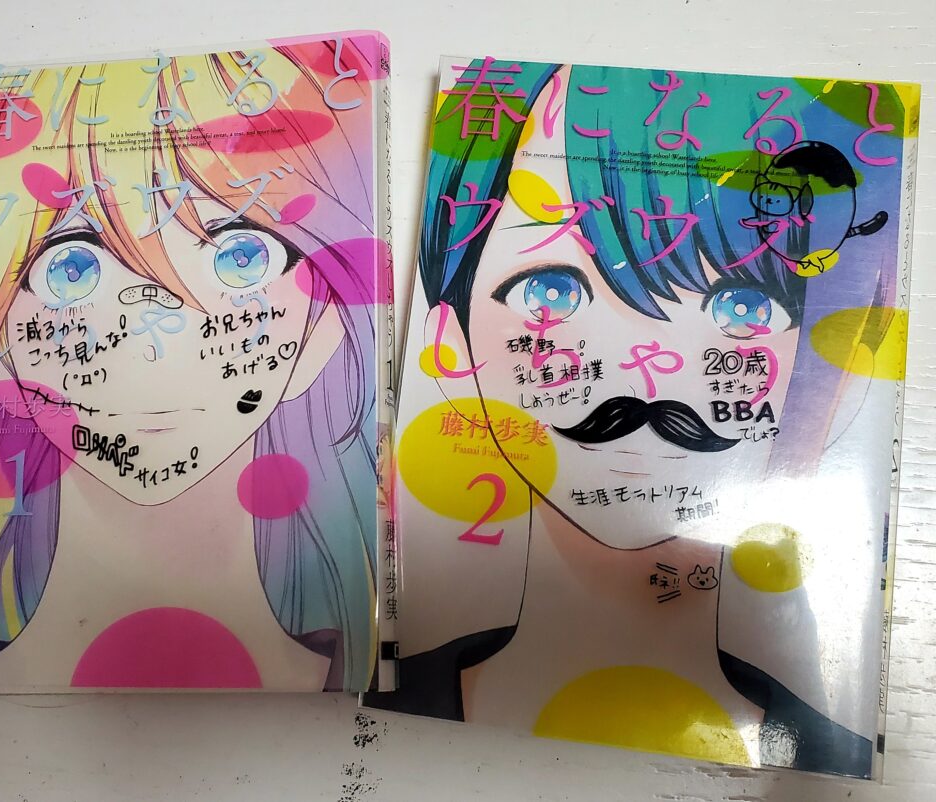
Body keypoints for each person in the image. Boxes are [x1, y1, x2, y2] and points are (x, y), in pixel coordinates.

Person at [378, 60, 907, 777]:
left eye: (744, 304)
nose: (646, 368)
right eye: (552, 289)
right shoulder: (395, 707)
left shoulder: (828, 756)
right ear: (451, 342)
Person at [0, 38, 387, 694]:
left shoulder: (370, 672)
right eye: (72, 266)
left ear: (321, 332)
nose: (153, 345)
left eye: (239, 257)